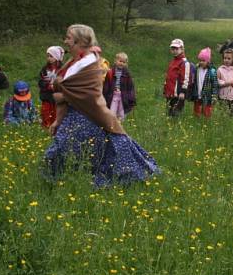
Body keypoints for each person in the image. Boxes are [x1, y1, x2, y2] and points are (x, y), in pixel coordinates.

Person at [43, 24, 158, 187]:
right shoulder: (74, 61)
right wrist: (58, 118)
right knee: (62, 150)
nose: (65, 41)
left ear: (80, 41)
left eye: (69, 38)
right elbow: (66, 94)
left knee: (102, 149)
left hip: (90, 115)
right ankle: (59, 182)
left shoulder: (89, 63)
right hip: (74, 115)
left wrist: (61, 92)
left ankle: (69, 181)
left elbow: (84, 94)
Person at [103, 52, 136, 121]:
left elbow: (130, 87)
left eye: (124, 62)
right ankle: (112, 124)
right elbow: (106, 86)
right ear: (115, 61)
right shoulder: (110, 73)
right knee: (112, 111)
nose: (121, 63)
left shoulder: (127, 74)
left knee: (122, 112)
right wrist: (104, 98)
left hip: (123, 95)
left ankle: (120, 125)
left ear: (126, 63)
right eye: (120, 61)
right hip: (113, 95)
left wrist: (132, 99)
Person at [164, 38, 191, 117]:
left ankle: (175, 126)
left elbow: (185, 79)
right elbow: (169, 76)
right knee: (169, 112)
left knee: (176, 113)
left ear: (182, 49)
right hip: (170, 92)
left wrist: (183, 92)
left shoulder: (184, 63)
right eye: (173, 48)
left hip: (178, 93)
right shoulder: (173, 61)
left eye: (176, 48)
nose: (174, 50)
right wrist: (165, 88)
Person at [38, 46, 64, 129]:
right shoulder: (45, 69)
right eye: (48, 56)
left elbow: (64, 81)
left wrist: (56, 86)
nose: (49, 58)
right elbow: (41, 81)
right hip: (46, 95)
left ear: (56, 57)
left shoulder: (62, 69)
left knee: (57, 111)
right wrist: (47, 85)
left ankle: (56, 127)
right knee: (46, 111)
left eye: (51, 56)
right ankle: (46, 127)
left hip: (57, 94)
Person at [189, 47, 218, 118]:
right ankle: (197, 119)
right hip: (197, 93)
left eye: (203, 60)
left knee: (207, 110)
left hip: (207, 94)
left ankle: (206, 121)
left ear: (208, 61)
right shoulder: (197, 69)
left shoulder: (212, 71)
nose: (201, 62)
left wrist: (214, 95)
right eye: (200, 60)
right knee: (196, 109)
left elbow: (215, 84)